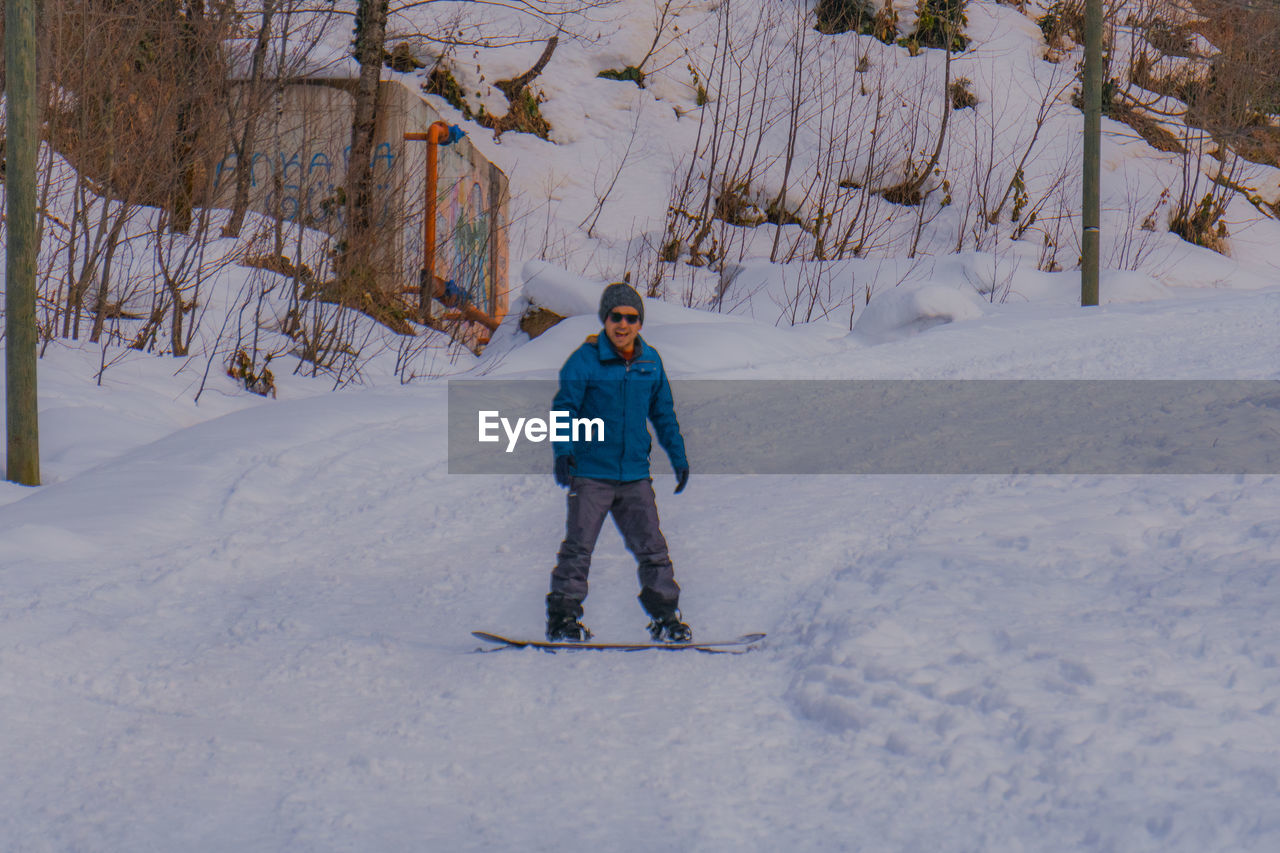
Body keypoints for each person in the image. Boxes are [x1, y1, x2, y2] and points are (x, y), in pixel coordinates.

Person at [546, 282, 692, 643]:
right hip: (592, 473)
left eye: (631, 318)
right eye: (616, 317)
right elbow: (565, 408)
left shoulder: (650, 361)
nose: (623, 325)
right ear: (605, 320)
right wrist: (564, 450)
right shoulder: (586, 360)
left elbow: (663, 413)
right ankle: (563, 620)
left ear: (640, 323)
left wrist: (678, 456)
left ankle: (666, 618)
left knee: (653, 549)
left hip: (634, 475)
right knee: (578, 548)